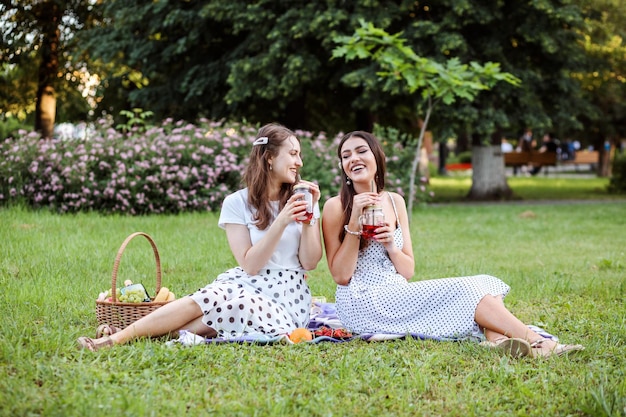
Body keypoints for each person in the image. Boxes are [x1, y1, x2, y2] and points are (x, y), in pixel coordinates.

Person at [321, 130, 584, 358]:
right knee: (467, 289)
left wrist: (391, 245)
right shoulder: (335, 207)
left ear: (377, 157)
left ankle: (498, 341)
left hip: (396, 292)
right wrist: (354, 220)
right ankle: (540, 343)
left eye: (360, 151)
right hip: (362, 302)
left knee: (484, 282)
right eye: (345, 155)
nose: (353, 158)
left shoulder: (394, 201)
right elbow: (341, 276)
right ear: (343, 166)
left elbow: (408, 271)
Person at [78, 123, 323, 351]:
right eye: (293, 154)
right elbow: (250, 265)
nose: (299, 162)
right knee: (208, 298)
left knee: (238, 307)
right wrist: (281, 221)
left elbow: (310, 262)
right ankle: (117, 339)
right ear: (269, 157)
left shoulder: (303, 201)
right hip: (247, 281)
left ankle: (124, 335)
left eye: (299, 155)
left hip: (288, 295)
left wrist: (310, 217)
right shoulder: (236, 203)